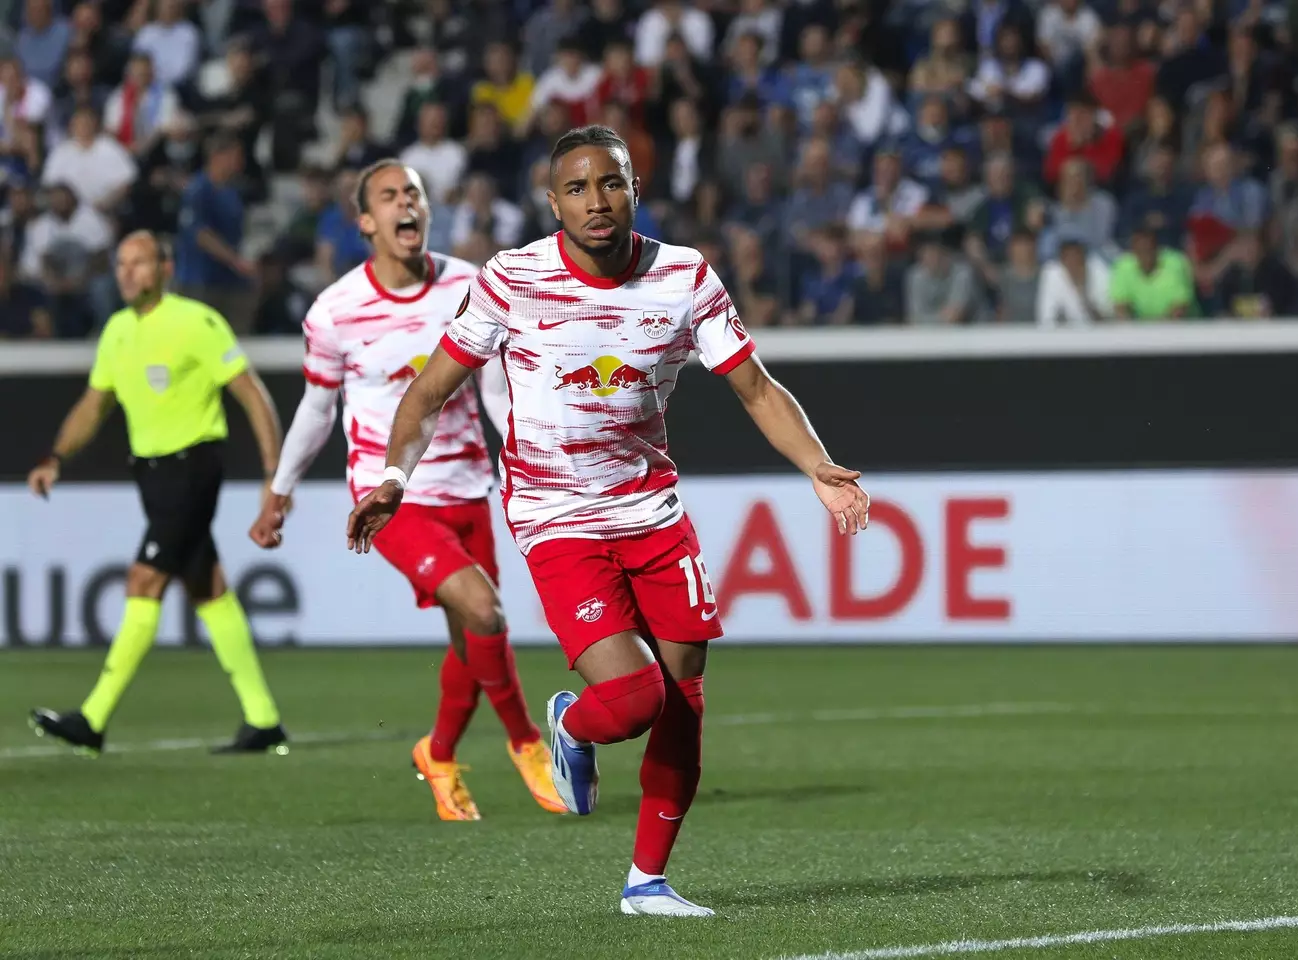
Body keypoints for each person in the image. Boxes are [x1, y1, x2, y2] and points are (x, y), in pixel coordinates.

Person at [346, 125, 870, 916]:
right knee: (633, 699)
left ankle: (647, 882)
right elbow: (428, 394)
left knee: (685, 692)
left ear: (635, 188)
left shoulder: (685, 278)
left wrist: (818, 467)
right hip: (556, 515)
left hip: (652, 511)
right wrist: (394, 475)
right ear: (553, 201)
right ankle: (574, 725)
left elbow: (756, 388)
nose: (599, 201)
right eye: (580, 188)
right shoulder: (512, 280)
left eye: (613, 183)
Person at [249, 159, 564, 822]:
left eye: (413, 193)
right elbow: (316, 408)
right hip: (391, 496)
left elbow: (496, 391)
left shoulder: (470, 285)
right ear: (366, 222)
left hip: (470, 486)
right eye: (389, 196)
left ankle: (439, 755)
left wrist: (527, 461)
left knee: (469, 641)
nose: (405, 204)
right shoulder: (336, 311)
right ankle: (527, 742)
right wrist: (280, 487)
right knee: (486, 612)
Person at [26, 231, 287, 755]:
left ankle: (93, 719)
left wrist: (274, 476)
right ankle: (263, 721)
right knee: (206, 588)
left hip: (193, 466)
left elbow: (253, 396)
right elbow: (93, 405)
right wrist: (56, 456)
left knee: (144, 579)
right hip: (152, 475)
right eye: (121, 264)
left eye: (139, 263)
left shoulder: (196, 322)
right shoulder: (118, 330)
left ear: (164, 267)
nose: (126, 273)